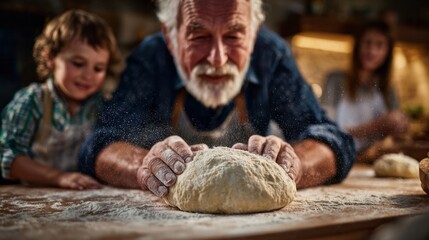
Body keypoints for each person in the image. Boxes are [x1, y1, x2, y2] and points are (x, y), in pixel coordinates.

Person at [79, 0, 355, 197]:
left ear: (254, 33)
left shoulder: (271, 56)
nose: (218, 59)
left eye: (234, 35)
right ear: (171, 36)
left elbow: (330, 138)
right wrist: (145, 166)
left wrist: (296, 164)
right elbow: (101, 143)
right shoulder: (151, 58)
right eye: (199, 36)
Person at [0, 9, 122, 189]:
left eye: (98, 68)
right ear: (50, 58)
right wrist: (59, 177)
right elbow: (9, 159)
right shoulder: (32, 101)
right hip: (34, 198)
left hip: (82, 196)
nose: (88, 75)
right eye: (78, 64)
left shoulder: (100, 105)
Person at [320, 21, 408, 162]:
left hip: (373, 162)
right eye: (367, 43)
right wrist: (377, 125)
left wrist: (400, 126)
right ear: (358, 46)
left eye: (379, 45)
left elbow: (394, 139)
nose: (372, 51)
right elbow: (325, 129)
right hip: (338, 160)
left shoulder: (388, 89)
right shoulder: (335, 80)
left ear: (387, 52)